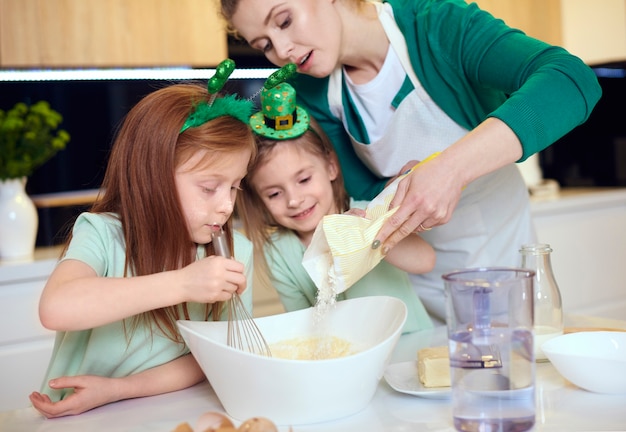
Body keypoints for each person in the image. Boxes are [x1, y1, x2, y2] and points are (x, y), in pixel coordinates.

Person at [220, 0, 602, 322]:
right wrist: (392, 190)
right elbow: (362, 192)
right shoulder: (314, 92)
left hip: (499, 266)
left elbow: (570, 80)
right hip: (409, 288)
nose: (283, 50)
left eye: (285, 20)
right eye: (265, 44)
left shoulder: (438, 27)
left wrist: (451, 168)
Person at [28, 79, 257, 418]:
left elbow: (212, 357)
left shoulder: (236, 254)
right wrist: (182, 283)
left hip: (167, 413)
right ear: (154, 177)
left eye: (235, 187)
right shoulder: (103, 234)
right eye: (210, 188)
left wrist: (116, 390)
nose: (226, 205)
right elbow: (57, 307)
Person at [238, 81, 435, 333]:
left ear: (331, 166)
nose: (294, 200)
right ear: (258, 198)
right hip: (348, 361)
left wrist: (372, 233)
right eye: (275, 193)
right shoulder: (279, 252)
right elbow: (304, 328)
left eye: (304, 180)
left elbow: (426, 261)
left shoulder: (368, 213)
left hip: (408, 347)